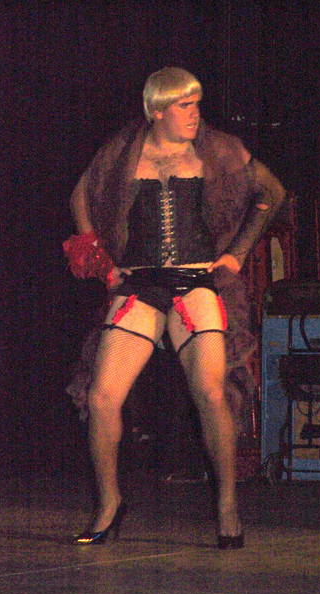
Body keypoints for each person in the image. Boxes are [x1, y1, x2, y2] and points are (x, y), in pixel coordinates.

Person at [64, 67, 287, 548]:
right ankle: (109, 504)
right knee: (102, 397)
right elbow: (81, 196)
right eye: (185, 106)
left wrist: (238, 252)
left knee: (211, 391)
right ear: (158, 110)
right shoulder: (123, 153)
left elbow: (271, 193)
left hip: (196, 282)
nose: (195, 114)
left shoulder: (217, 150)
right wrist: (102, 264)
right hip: (140, 284)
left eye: (197, 104)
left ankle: (226, 506)